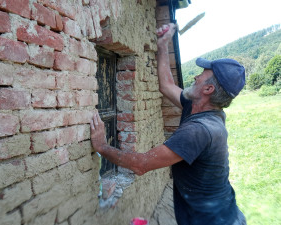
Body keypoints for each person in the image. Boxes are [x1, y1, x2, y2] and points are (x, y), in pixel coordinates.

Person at [90, 23, 246, 225]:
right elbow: (167, 85)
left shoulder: (199, 131)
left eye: (202, 75)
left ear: (208, 89)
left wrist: (102, 146)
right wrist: (163, 45)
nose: (195, 76)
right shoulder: (199, 108)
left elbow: (141, 164)